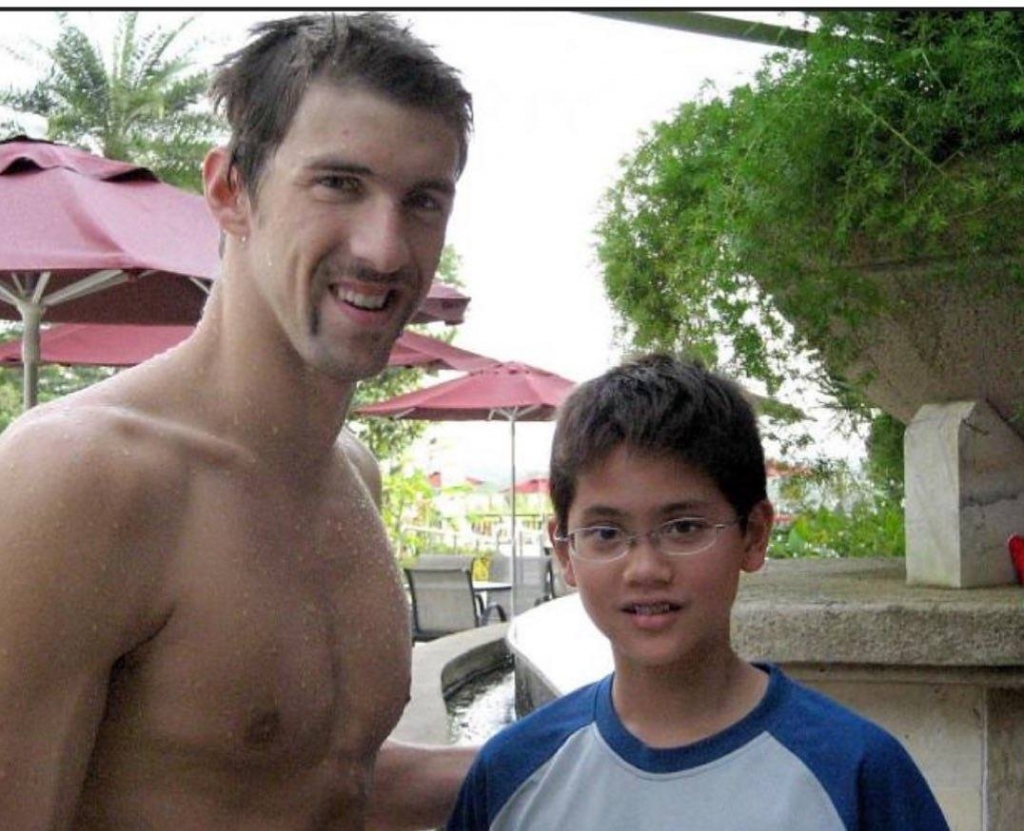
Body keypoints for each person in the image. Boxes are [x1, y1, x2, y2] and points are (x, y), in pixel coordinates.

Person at [0, 12, 476, 830]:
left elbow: (309, 779)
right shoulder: (82, 477)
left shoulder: (348, 472)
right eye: (339, 183)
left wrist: (599, 742)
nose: (387, 247)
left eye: (423, 200)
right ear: (229, 190)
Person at [446, 354, 950, 831]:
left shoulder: (856, 774)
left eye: (684, 527)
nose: (645, 568)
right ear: (564, 551)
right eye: (605, 534)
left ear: (753, 535)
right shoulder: (511, 772)